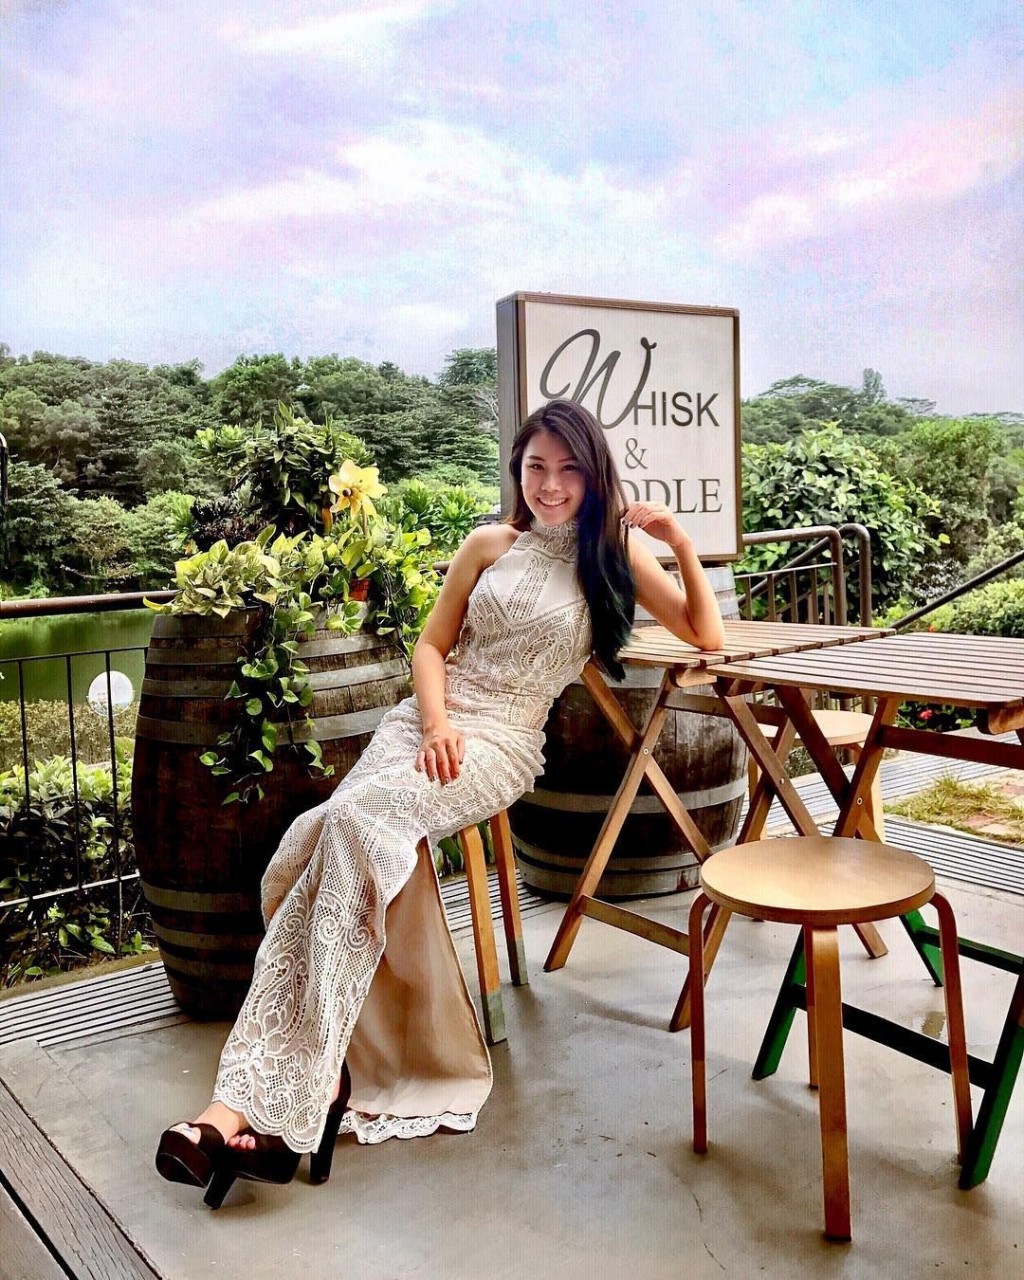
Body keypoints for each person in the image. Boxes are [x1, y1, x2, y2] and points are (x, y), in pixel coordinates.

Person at [156, 397, 725, 1207]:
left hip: (501, 743)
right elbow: (431, 645)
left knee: (341, 825)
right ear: (517, 470)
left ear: (595, 475)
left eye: (568, 469)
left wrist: (679, 544)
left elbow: (707, 637)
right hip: (425, 728)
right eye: (536, 467)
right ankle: (285, 1097)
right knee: (338, 834)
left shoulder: (617, 554)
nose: (550, 485)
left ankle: (250, 1104)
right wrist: (433, 723)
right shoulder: (489, 544)